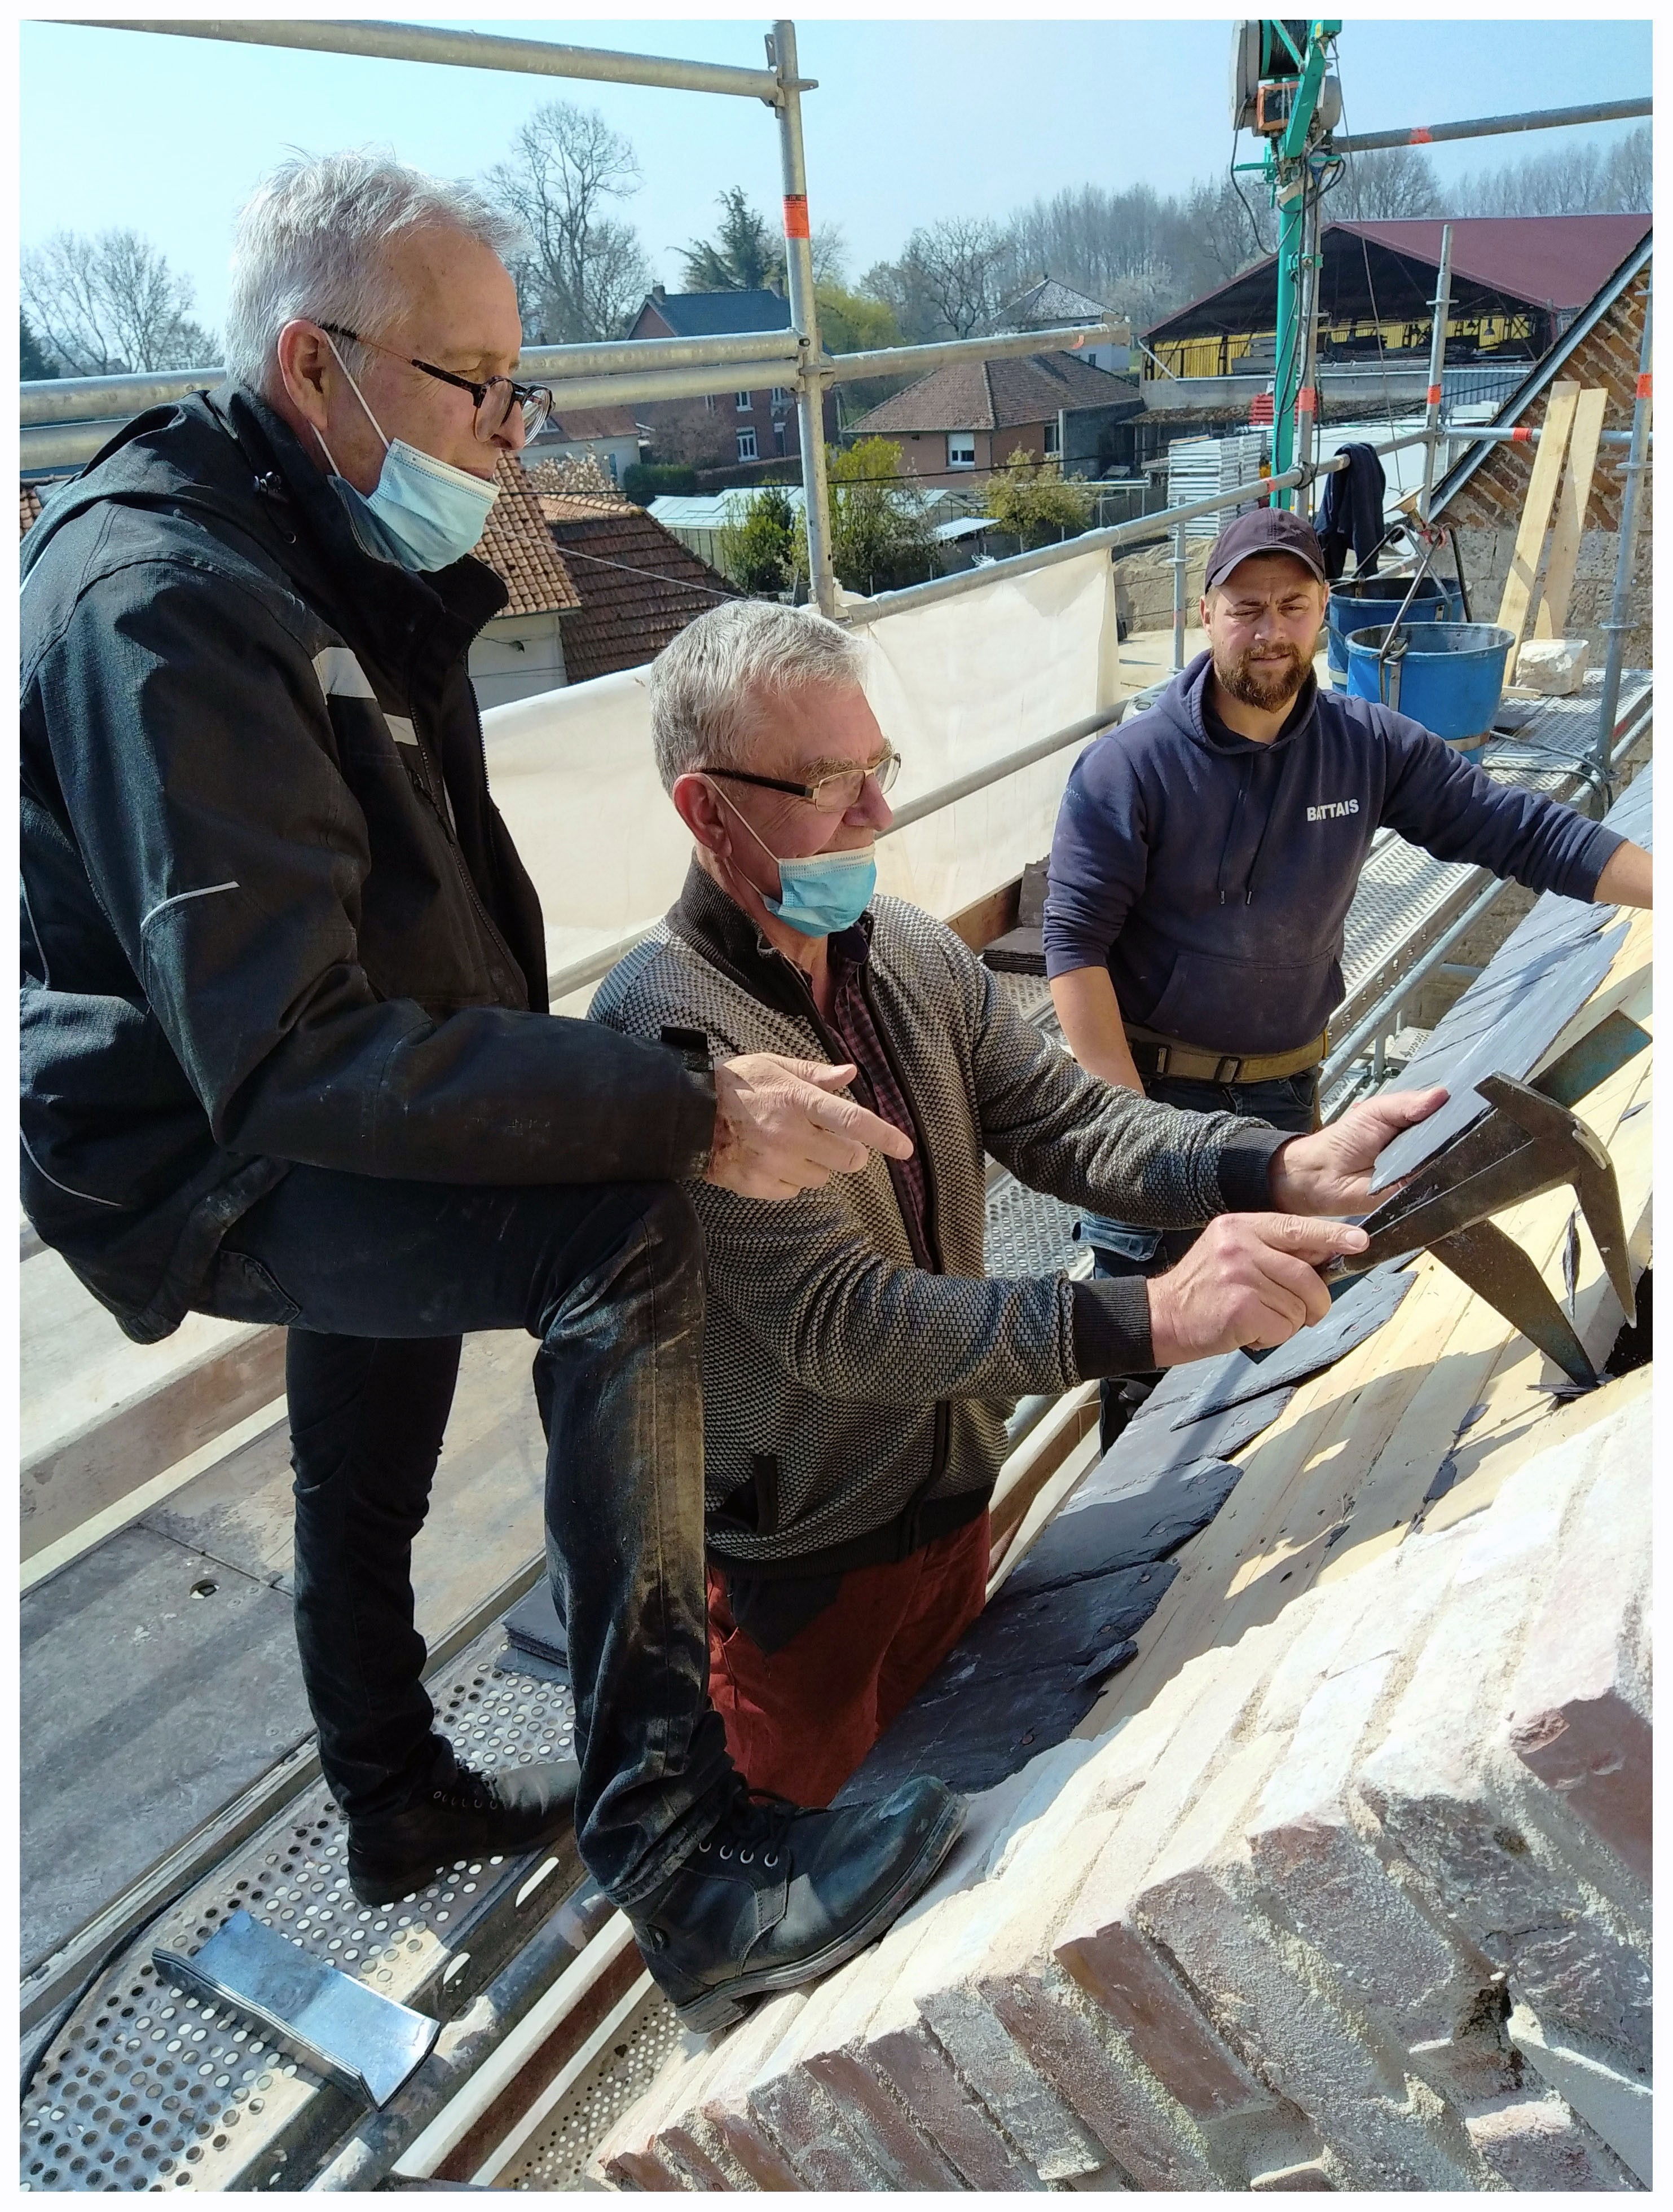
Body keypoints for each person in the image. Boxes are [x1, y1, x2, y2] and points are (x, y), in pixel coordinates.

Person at [20, 153, 968, 2034]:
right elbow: (284, 1051)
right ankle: (682, 1855)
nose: (512, 434)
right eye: (475, 385)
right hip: (199, 1137)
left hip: (298, 1068)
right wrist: (682, 1112)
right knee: (612, 1229)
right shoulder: (165, 607)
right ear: (315, 366)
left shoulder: (320, 528)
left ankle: (388, 1795)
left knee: (379, 1371)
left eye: (513, 387)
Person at [592, 598, 1447, 1809]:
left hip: (950, 1499)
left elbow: (1065, 1119)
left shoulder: (906, 953)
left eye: (876, 767)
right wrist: (1146, 1316)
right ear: (703, 808)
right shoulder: (664, 1033)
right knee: (808, 1859)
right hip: (795, 1560)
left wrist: (1271, 1165)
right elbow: (848, 1323)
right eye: (827, 782)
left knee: (940, 1805)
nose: (877, 813)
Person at [1046, 506, 1653, 1451]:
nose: (1269, 630)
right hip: (1155, 1091)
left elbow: (1520, 831)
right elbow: (1073, 955)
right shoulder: (1129, 769)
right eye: (1246, 607)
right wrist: (1134, 1133)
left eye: (1291, 605)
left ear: (1323, 611)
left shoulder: (1365, 746)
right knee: (1147, 1350)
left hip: (1285, 1098)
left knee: (1271, 1334)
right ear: (1206, 613)